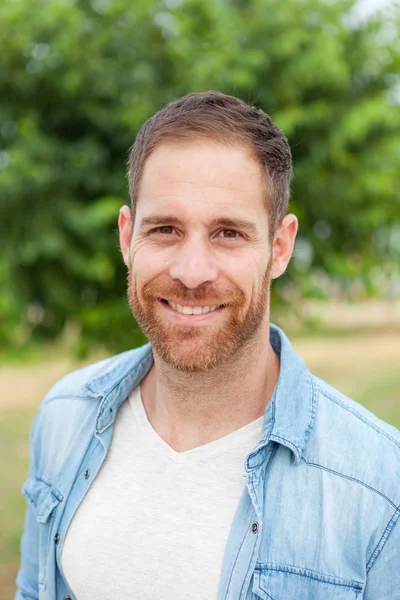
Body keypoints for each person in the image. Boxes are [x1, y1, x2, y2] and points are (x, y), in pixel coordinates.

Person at [15, 91, 400, 600]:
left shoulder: (380, 485)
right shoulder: (66, 416)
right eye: (166, 229)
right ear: (128, 238)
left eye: (228, 233)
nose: (191, 272)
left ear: (279, 248)